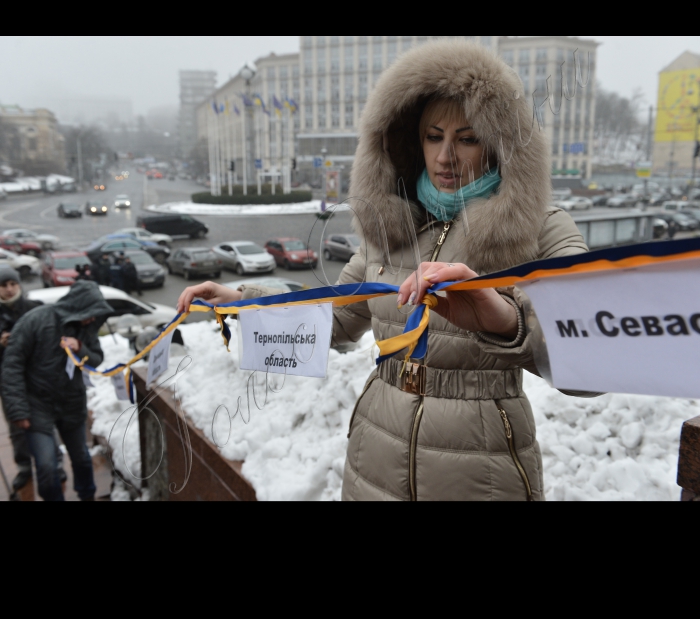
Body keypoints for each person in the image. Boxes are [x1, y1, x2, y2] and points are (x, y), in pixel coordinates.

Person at [177, 40, 591, 502]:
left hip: (482, 468)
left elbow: (592, 363)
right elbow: (333, 320)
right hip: (376, 455)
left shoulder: (541, 228)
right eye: (434, 137)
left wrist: (505, 321)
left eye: (467, 138)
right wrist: (243, 302)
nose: (446, 156)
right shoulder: (390, 227)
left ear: (497, 144)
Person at [1, 281, 114, 502]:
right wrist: (18, 410)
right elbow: (12, 365)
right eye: (89, 313)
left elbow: (96, 359)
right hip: (37, 404)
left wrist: (81, 348)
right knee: (45, 464)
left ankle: (87, 494)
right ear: (78, 307)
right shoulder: (35, 320)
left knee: (81, 457)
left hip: (71, 402)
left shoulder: (86, 328)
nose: (92, 319)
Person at [0, 267, 43, 498]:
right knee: (17, 425)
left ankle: (52, 462)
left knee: (45, 419)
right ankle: (24, 467)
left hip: (36, 377)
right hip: (7, 382)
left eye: (12, 284)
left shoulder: (33, 308)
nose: (8, 289)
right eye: (3, 285)